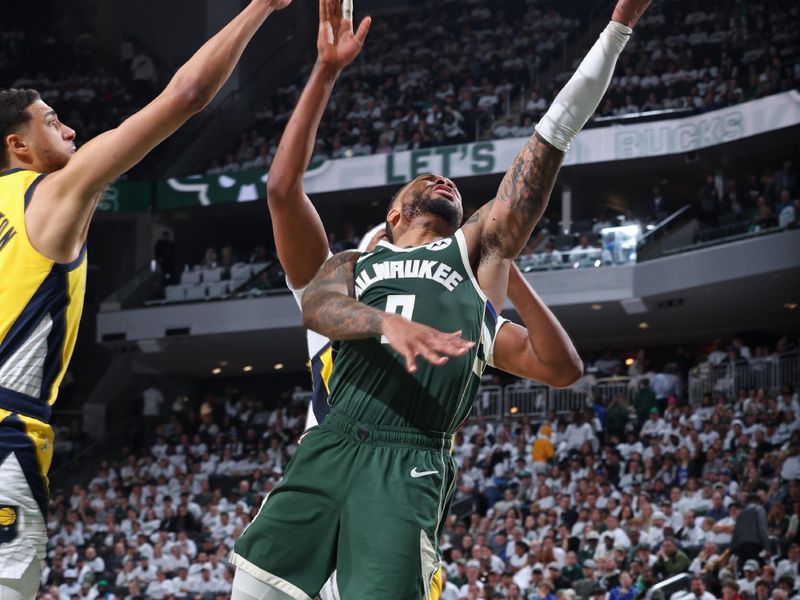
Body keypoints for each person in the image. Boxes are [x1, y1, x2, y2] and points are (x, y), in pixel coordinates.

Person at [230, 0, 649, 597]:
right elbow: (307, 280)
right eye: (421, 180)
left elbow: (554, 132)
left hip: (408, 460)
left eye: (449, 182)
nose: (441, 179)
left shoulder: (476, 262)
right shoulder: (354, 265)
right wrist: (382, 324)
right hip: (328, 447)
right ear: (393, 214)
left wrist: (617, 28)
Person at [0, 1, 294, 597]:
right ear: (19, 146)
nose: (71, 130)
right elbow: (185, 95)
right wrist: (263, 5)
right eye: (53, 122)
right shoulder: (54, 193)